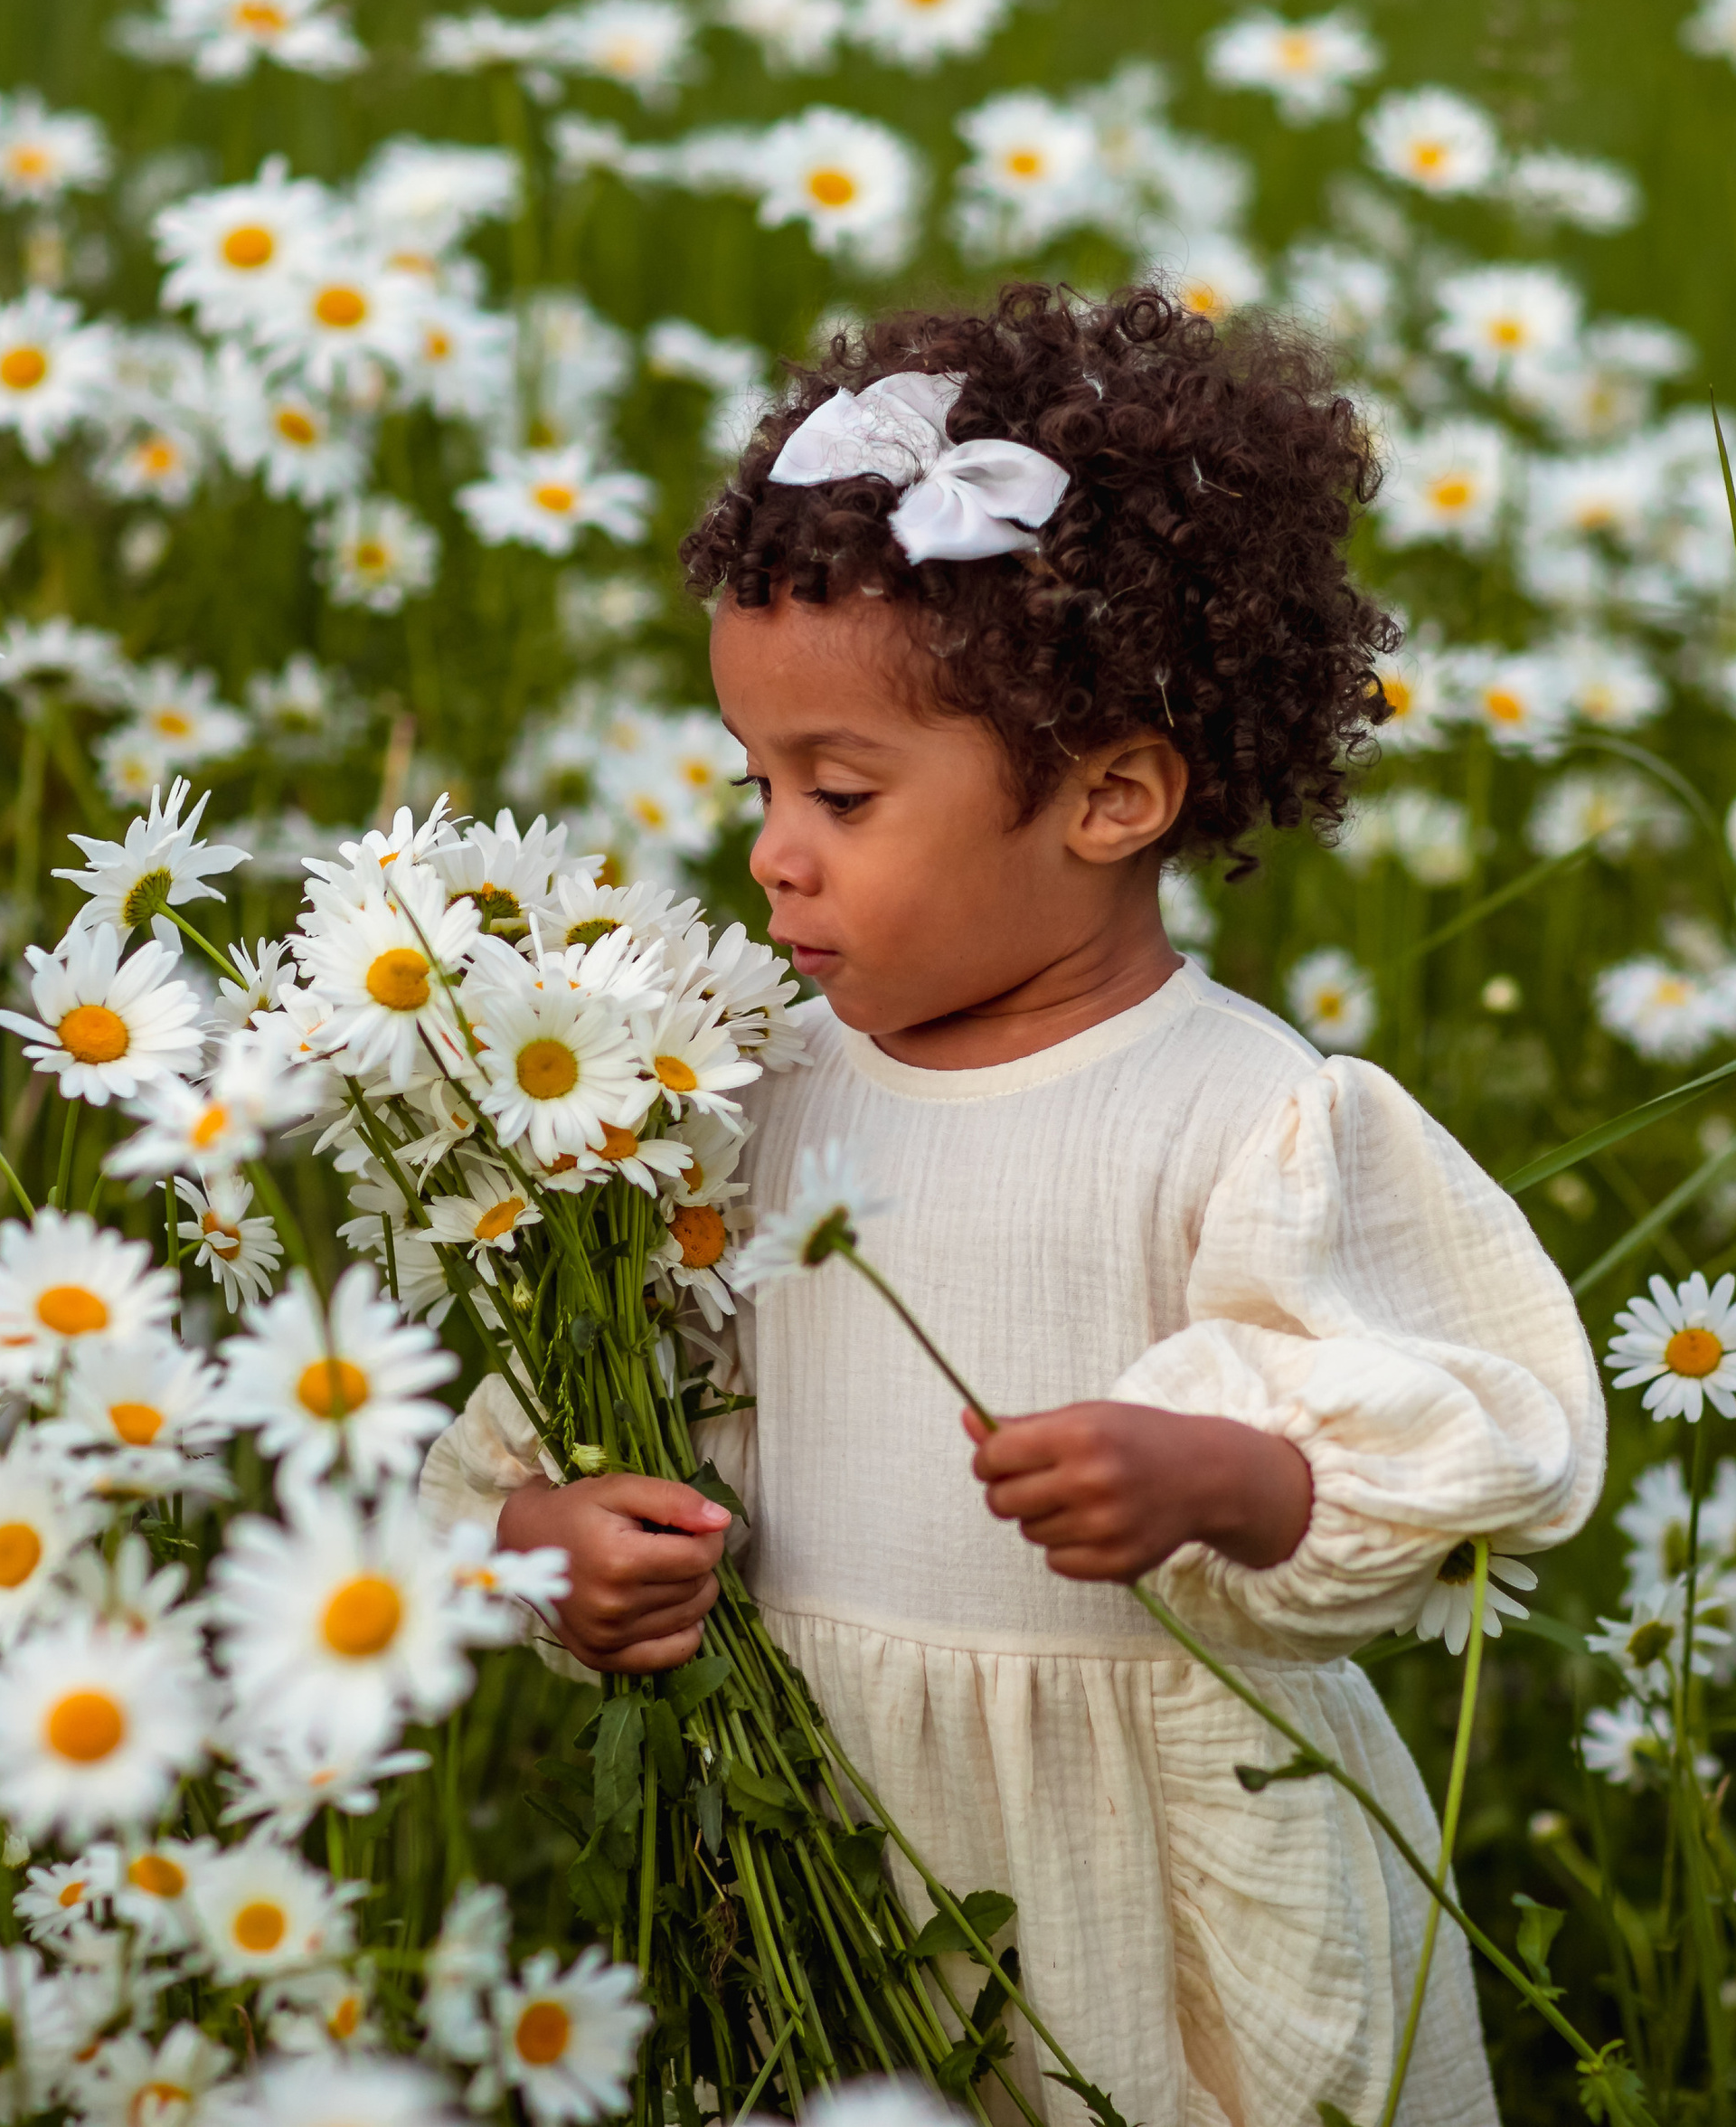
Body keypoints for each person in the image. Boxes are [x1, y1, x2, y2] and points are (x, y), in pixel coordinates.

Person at [420, 284, 1605, 2127]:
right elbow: (542, 1417)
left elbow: (1481, 1438)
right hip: (804, 1830)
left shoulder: (1243, 1115)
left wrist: (1225, 1477)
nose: (766, 848)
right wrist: (543, 1538)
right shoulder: (731, 1095)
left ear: (1112, 794)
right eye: (757, 781)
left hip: (1152, 1849)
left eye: (839, 789)